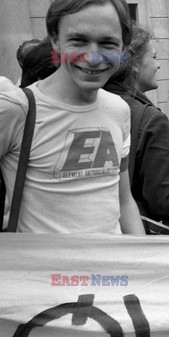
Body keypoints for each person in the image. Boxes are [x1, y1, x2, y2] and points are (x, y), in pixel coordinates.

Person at [0, 0, 144, 234]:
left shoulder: (119, 109)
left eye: (108, 43)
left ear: (123, 48)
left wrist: (142, 261)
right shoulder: (17, 108)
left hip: (113, 268)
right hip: (42, 270)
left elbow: (124, 200)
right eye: (79, 41)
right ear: (55, 40)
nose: (94, 57)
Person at [104, 27, 169, 233]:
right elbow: (164, 200)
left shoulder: (94, 103)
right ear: (133, 66)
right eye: (155, 57)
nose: (159, 64)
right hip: (134, 235)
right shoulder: (151, 120)